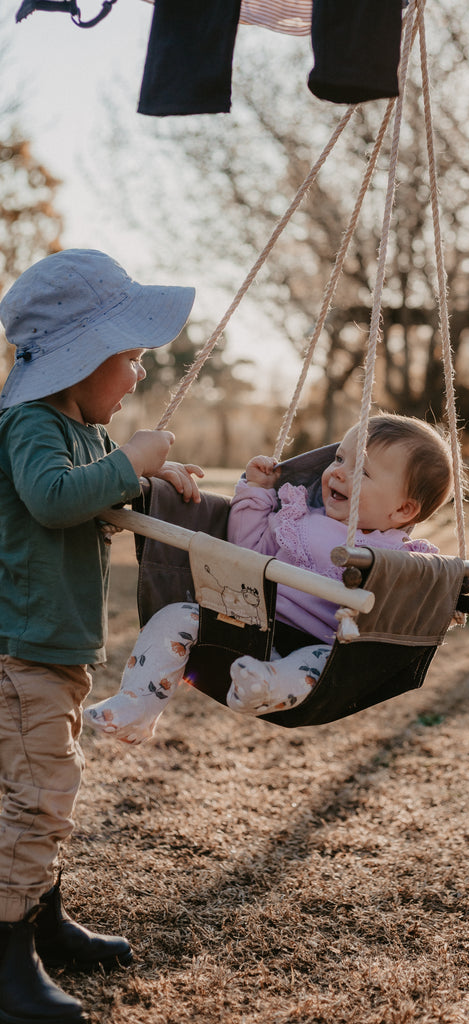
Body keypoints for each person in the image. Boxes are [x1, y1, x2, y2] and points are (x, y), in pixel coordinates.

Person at [0, 249, 202, 1024]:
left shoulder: (76, 430)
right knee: (40, 797)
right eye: (131, 358)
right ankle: (7, 956)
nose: (139, 374)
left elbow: (98, 489)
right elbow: (55, 500)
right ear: (80, 362)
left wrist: (154, 477)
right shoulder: (29, 426)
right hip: (22, 654)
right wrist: (132, 459)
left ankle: (43, 924)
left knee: (42, 790)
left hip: (56, 652)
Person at [85, 413, 453, 741]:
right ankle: (138, 704)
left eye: (362, 471)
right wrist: (257, 494)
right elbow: (246, 551)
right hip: (252, 625)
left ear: (403, 509)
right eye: (340, 458)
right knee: (176, 617)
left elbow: (416, 599)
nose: (337, 471)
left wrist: (444, 597)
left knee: (314, 665)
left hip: (324, 645)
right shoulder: (297, 516)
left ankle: (266, 686)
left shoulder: (400, 556)